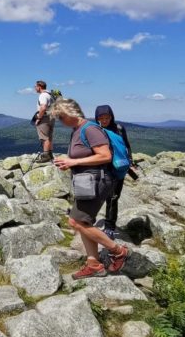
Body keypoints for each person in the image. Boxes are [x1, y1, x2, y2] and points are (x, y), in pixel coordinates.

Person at [50, 98, 129, 279]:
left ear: (70, 113)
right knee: (85, 222)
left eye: (61, 117)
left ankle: (118, 251)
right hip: (87, 182)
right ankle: (93, 264)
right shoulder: (77, 130)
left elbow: (105, 155)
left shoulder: (90, 129)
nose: (61, 122)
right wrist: (70, 163)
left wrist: (74, 161)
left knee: (75, 222)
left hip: (98, 181)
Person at [94, 105, 135, 240]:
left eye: (107, 117)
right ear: (97, 118)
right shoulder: (94, 130)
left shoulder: (119, 129)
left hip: (118, 168)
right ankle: (86, 218)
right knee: (95, 195)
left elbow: (126, 146)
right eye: (101, 118)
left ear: (111, 116)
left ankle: (109, 227)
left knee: (113, 198)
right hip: (102, 167)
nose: (105, 120)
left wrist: (130, 161)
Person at [34, 81, 56, 162]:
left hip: (44, 118)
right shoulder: (50, 95)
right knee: (49, 137)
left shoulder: (43, 95)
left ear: (39, 87)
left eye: (35, 86)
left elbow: (43, 107)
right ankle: (50, 154)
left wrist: (39, 118)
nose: (35, 88)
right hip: (51, 117)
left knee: (44, 137)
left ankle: (46, 155)